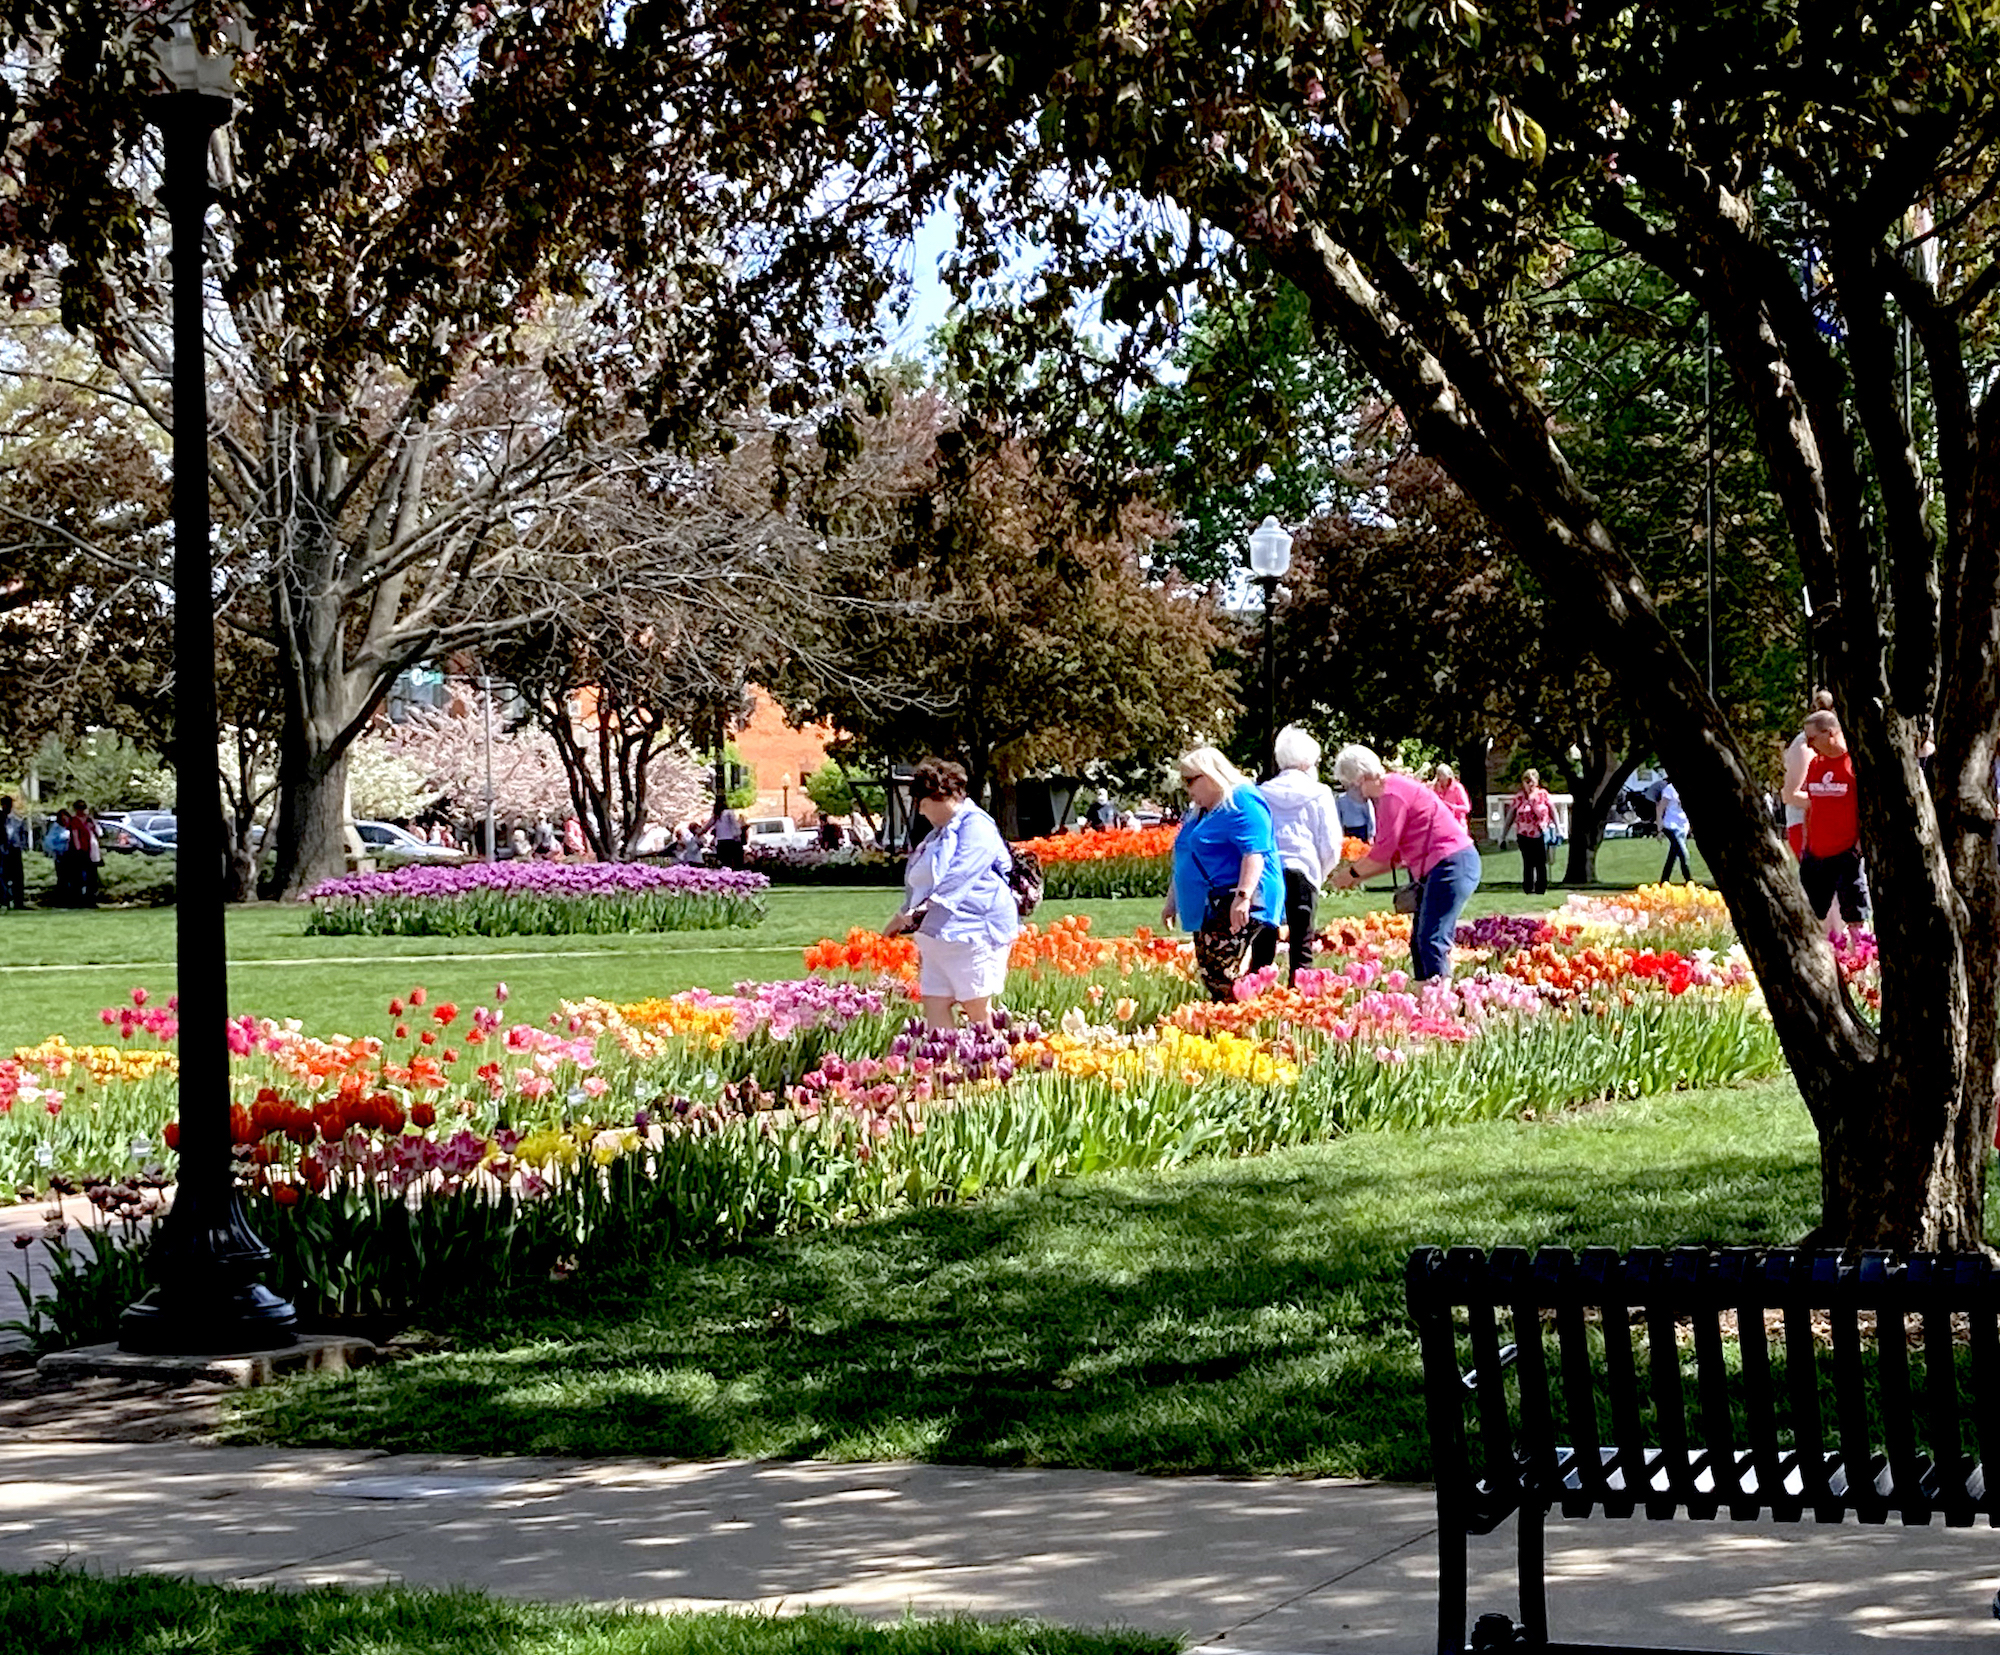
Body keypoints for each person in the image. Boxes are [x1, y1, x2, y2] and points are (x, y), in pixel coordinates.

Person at [882, 757, 1019, 1031]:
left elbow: (958, 876)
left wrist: (910, 916)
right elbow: (921, 882)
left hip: (972, 933)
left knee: (977, 1009)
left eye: (921, 803)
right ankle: (944, 1068)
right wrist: (905, 914)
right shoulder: (939, 834)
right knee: (935, 1004)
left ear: (939, 796)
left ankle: (991, 1067)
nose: (920, 812)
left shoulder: (977, 826)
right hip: (937, 938)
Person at [1328, 744, 1481, 981]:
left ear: (1361, 777)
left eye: (1350, 783)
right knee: (1421, 941)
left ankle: (1438, 1004)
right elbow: (1394, 856)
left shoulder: (1391, 795)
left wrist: (1351, 874)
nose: (1352, 791)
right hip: (1444, 865)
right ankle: (1427, 1000)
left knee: (1432, 939)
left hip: (1451, 863)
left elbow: (1384, 853)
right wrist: (1356, 874)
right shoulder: (1392, 790)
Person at [1164, 745, 1284, 1000]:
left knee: (1226, 970)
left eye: (1190, 781)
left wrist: (1244, 896)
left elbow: (1254, 852)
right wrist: (1172, 901)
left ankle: (1239, 1019)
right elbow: (1185, 855)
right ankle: (1231, 1019)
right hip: (1210, 901)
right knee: (1212, 969)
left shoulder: (1241, 800)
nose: (1188, 789)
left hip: (1237, 897)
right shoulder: (1200, 811)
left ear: (1210, 775)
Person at [1258, 726, 1346, 981]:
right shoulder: (1319, 793)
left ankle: (1257, 991)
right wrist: (1321, 872)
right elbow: (1330, 842)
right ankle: (1300, 994)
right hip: (1303, 869)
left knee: (1264, 938)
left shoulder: (1263, 793)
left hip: (1269, 870)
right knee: (1302, 941)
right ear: (1310, 761)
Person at [1786, 709, 1867, 941]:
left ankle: (1860, 962)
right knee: (1808, 914)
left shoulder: (1853, 765)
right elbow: (1812, 806)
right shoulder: (1816, 765)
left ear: (1830, 733)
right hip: (1815, 854)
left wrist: (1857, 847)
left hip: (1846, 853)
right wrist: (1806, 844)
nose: (1809, 745)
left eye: (1812, 738)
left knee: (1854, 915)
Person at [1782, 690, 1836, 859]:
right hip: (1804, 827)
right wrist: (1828, 805)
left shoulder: (1833, 743)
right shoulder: (1804, 745)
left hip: (1827, 826)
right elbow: (1789, 795)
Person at [1509, 769, 1555, 896]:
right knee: (1527, 861)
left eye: (1532, 782)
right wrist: (1503, 834)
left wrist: (1558, 828)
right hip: (1523, 833)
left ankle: (1541, 887)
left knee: (1540, 861)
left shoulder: (1543, 795)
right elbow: (1511, 815)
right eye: (1526, 781)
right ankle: (1528, 887)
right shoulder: (1519, 798)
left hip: (1540, 832)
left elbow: (1552, 811)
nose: (1529, 784)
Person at [1657, 778, 1693, 883]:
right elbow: (1660, 808)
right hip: (1670, 825)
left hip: (1683, 827)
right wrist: (1659, 828)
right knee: (1683, 853)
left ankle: (1664, 880)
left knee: (1673, 853)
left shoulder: (1688, 788)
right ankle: (1689, 880)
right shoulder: (1670, 789)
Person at [68, 800, 100, 906]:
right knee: (78, 877)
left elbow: (98, 833)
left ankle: (91, 899)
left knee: (92, 877)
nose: (81, 810)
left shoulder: (89, 820)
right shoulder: (74, 821)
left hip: (92, 850)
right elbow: (75, 835)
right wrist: (79, 849)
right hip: (80, 851)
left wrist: (93, 823)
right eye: (79, 808)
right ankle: (78, 900)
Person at [1430, 763, 1472, 834]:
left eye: (1444, 779)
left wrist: (1453, 807)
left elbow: (1466, 808)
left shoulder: (1457, 788)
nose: (1442, 782)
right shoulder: (1435, 788)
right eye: (1440, 779)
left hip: (1458, 825)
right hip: (1442, 826)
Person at [0, 796, 26, 910]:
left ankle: (18, 902)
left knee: (18, 877)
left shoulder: (17, 820)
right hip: (2, 850)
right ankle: (4, 901)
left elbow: (21, 834)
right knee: (3, 877)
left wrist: (21, 845)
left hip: (15, 849)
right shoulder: (0, 818)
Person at [711, 802, 745, 870]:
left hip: (721, 843)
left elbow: (707, 826)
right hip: (731, 841)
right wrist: (740, 826)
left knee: (725, 865)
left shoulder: (716, 816)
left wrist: (699, 833)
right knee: (737, 864)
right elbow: (735, 826)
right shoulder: (729, 813)